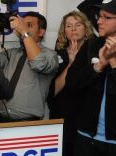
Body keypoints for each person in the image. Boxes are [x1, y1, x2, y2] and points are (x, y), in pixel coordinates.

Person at [65, 1, 116, 155]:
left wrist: (113, 62)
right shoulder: (91, 46)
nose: (99, 21)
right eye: (99, 16)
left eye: (106, 17)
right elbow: (72, 85)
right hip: (85, 138)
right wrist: (99, 66)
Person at [0, 12, 59, 122]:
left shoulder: (50, 55)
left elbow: (38, 63)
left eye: (29, 25)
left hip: (27, 123)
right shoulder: (11, 53)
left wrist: (23, 31)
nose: (24, 27)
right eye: (23, 24)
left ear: (41, 32)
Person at [47, 11, 94, 156]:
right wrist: (71, 63)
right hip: (61, 119)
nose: (73, 29)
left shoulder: (95, 53)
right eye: (69, 25)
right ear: (64, 31)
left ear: (85, 28)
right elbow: (52, 92)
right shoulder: (57, 54)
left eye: (78, 24)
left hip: (86, 123)